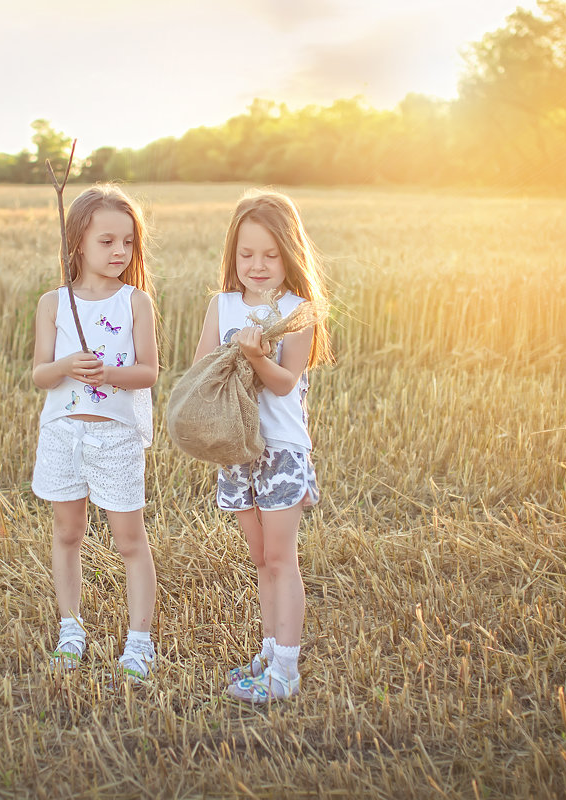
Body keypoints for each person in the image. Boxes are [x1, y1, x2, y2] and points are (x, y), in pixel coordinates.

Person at [190, 189, 333, 702]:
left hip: (281, 451)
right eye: (247, 254)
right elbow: (202, 367)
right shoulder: (222, 306)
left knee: (280, 557)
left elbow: (283, 383)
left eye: (270, 255)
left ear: (290, 254)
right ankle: (270, 650)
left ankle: (287, 670)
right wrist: (232, 353)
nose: (258, 265)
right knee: (258, 557)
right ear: (233, 254)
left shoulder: (299, 311)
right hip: (237, 449)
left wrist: (253, 356)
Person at [31, 184, 159, 681]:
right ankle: (71, 628)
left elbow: (149, 371)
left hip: (115, 437)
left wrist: (108, 373)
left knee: (130, 539)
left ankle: (139, 642)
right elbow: (41, 374)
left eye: (128, 243)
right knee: (68, 533)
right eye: (107, 242)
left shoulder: (135, 302)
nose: (120, 253)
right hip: (63, 435)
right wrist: (66, 364)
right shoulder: (54, 302)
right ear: (78, 240)